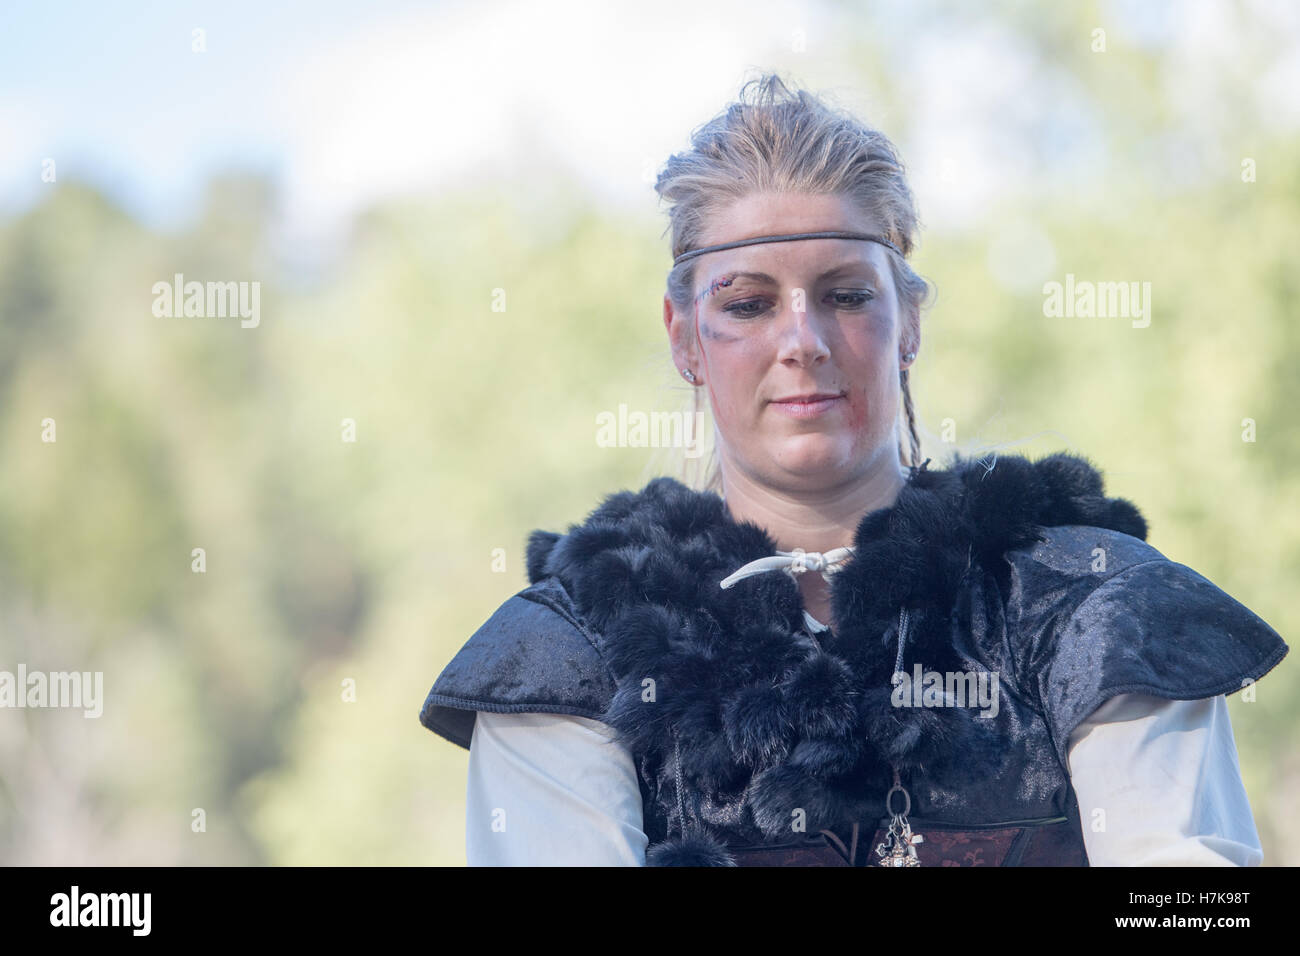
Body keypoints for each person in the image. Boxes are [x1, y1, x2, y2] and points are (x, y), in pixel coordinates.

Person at [418, 73, 1288, 866]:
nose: (803, 341)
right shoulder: (571, 652)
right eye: (749, 303)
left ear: (907, 320)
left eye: (845, 295)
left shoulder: (1090, 606)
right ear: (685, 337)